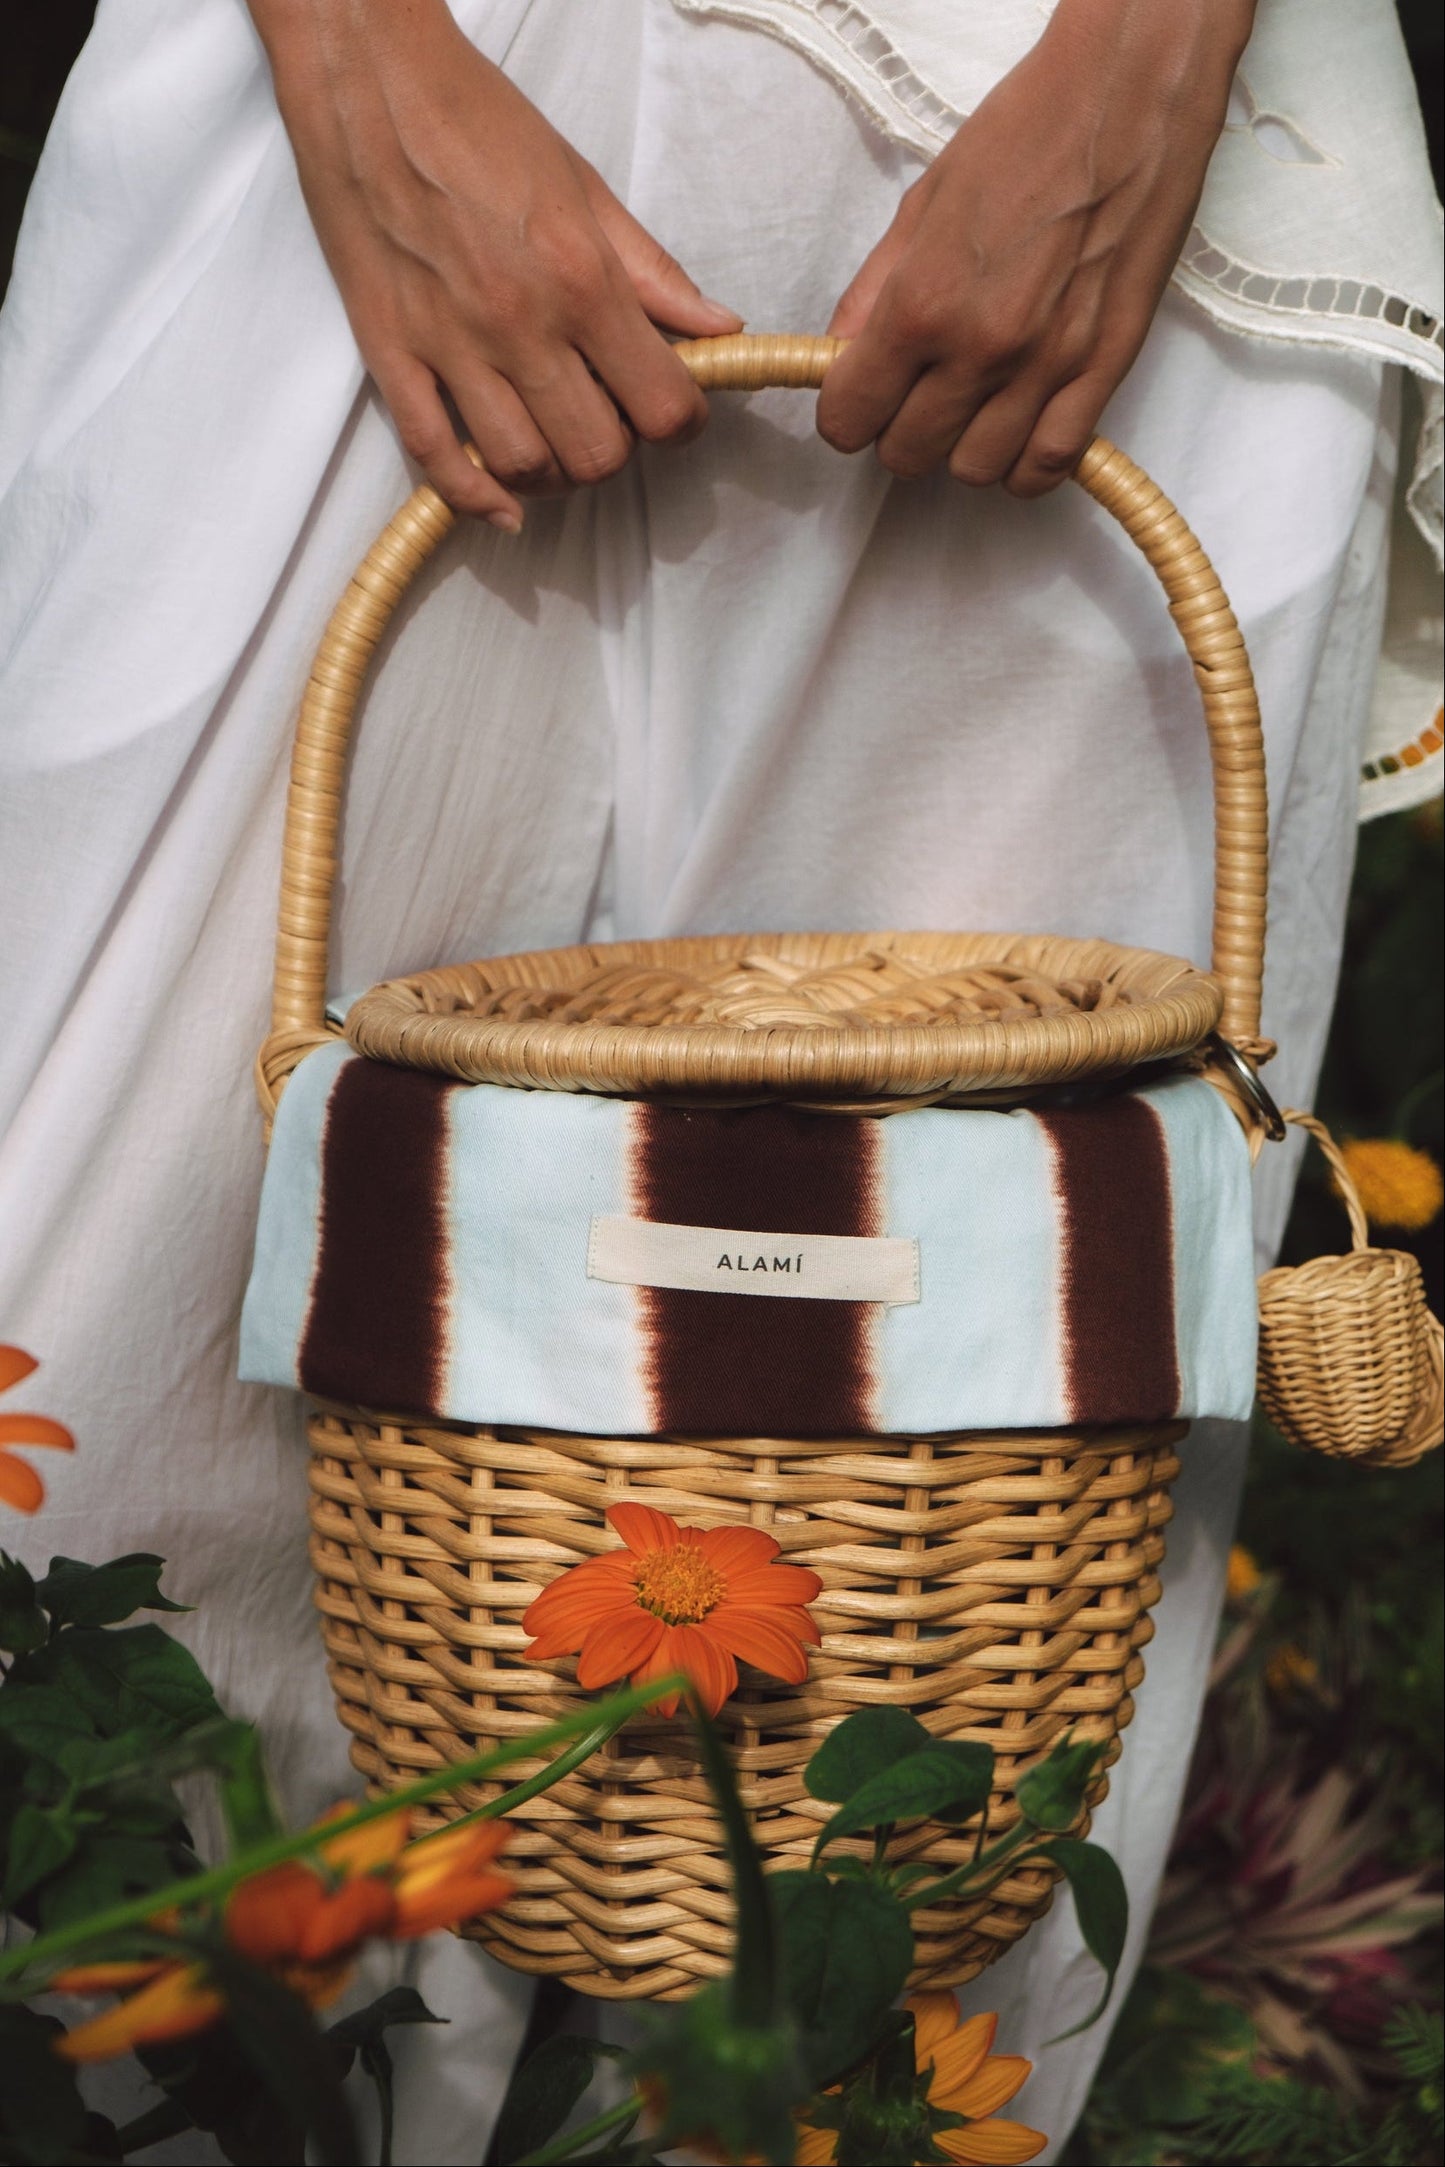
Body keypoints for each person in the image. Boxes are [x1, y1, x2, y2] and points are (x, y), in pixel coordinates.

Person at [0, 1, 1439, 2158]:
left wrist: (1156, 60)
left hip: (1118, 173)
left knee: (955, 1581)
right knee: (95, 1393)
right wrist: (353, 56)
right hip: (409, 95)